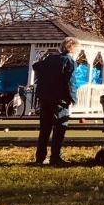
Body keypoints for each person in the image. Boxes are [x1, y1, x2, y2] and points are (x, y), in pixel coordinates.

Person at [33, 37, 79, 165]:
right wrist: (73, 98)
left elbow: (35, 66)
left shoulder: (50, 59)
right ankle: (55, 157)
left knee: (45, 128)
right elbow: (71, 83)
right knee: (60, 128)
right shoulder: (69, 62)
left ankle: (40, 157)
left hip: (44, 97)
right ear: (73, 48)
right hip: (59, 99)